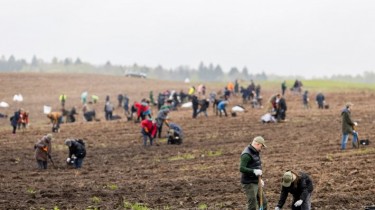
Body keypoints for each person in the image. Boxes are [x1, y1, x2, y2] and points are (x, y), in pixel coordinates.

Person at [240, 136, 268, 210]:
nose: (261, 148)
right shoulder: (246, 154)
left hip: (256, 181)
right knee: (252, 204)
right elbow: (242, 168)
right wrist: (254, 171)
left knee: (264, 203)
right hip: (249, 183)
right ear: (258, 144)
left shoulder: (255, 152)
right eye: (261, 146)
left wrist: (260, 179)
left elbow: (255, 165)